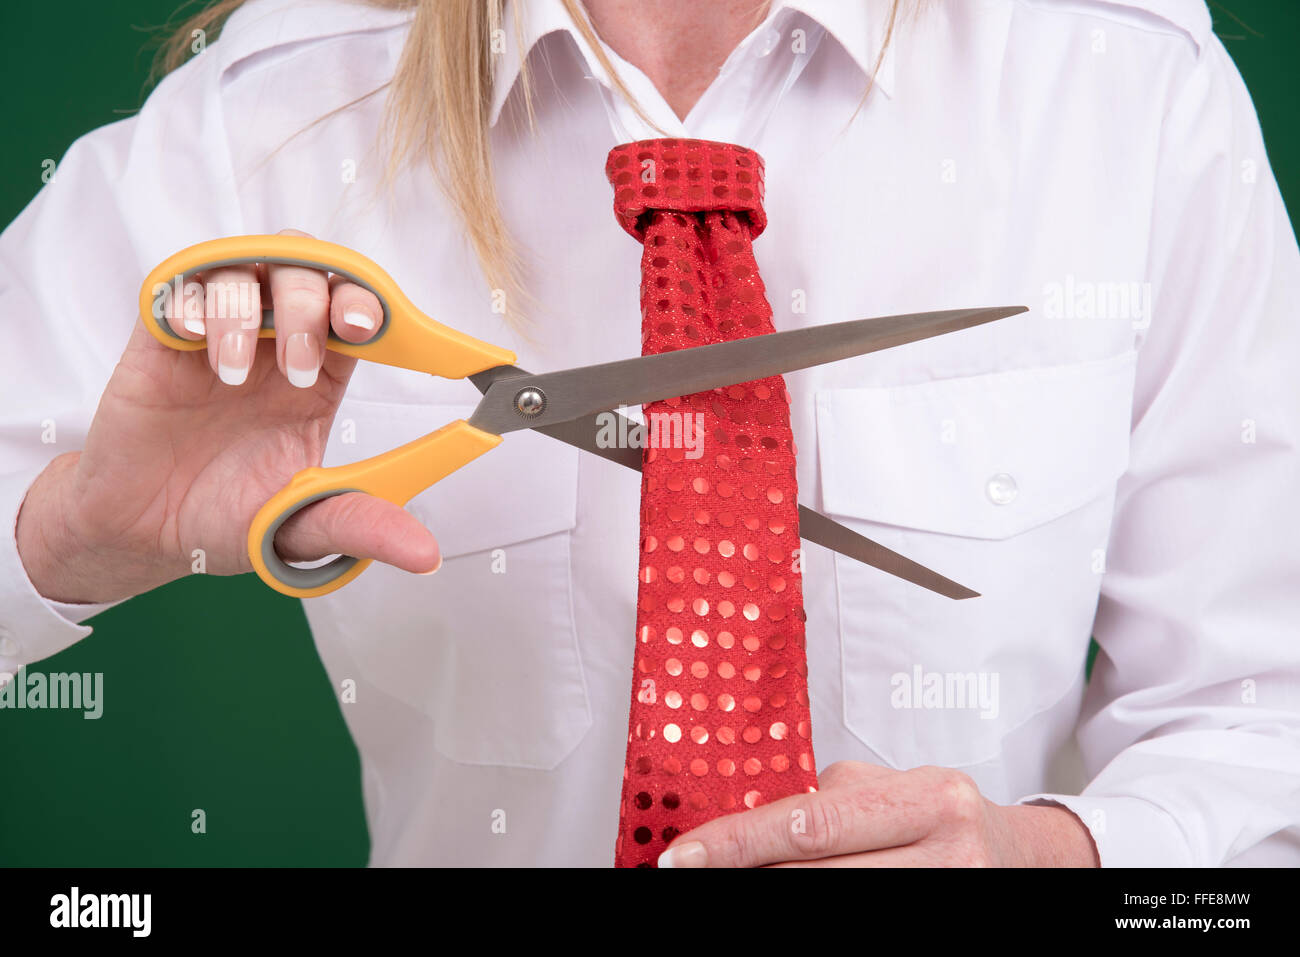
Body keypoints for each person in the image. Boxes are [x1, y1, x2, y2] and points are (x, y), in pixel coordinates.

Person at [2, 0, 1297, 867]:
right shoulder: (278, 108)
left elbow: (1266, 728)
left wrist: (1067, 858)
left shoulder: (1125, 80)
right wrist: (69, 535)